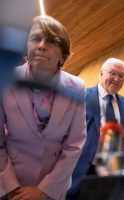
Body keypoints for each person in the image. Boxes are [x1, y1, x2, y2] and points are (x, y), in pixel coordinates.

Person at [0, 16, 87, 200]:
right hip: (9, 188)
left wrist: (45, 190)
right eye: (35, 39)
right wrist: (11, 188)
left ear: (63, 55)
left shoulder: (76, 87)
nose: (41, 45)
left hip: (52, 189)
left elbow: (74, 145)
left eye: (51, 41)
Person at [67, 58, 124, 198]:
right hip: (82, 171)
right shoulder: (81, 97)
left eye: (121, 76)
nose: (116, 78)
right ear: (101, 73)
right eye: (112, 73)